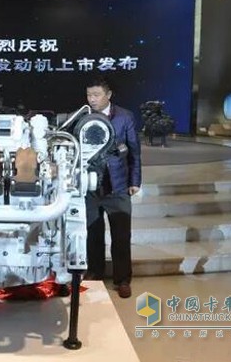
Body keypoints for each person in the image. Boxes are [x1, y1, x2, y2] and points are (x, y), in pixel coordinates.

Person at [84, 76, 141, 299]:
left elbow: (134, 151)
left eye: (96, 95)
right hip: (90, 186)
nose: (92, 99)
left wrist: (135, 181)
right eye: (89, 95)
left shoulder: (124, 117)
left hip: (118, 185)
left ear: (108, 95)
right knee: (92, 234)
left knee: (121, 236)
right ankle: (94, 273)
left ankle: (122, 280)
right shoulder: (83, 116)